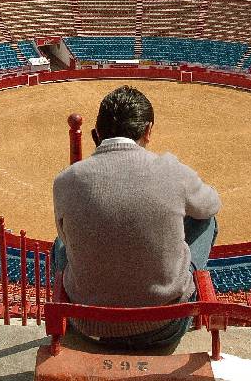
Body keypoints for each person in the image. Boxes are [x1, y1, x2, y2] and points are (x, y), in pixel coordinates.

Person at [52, 85, 221, 348]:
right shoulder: (170, 169)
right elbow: (211, 205)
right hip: (165, 325)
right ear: (148, 131)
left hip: (88, 324)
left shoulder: (65, 181)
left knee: (60, 241)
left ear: (97, 133)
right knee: (206, 220)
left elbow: (66, 239)